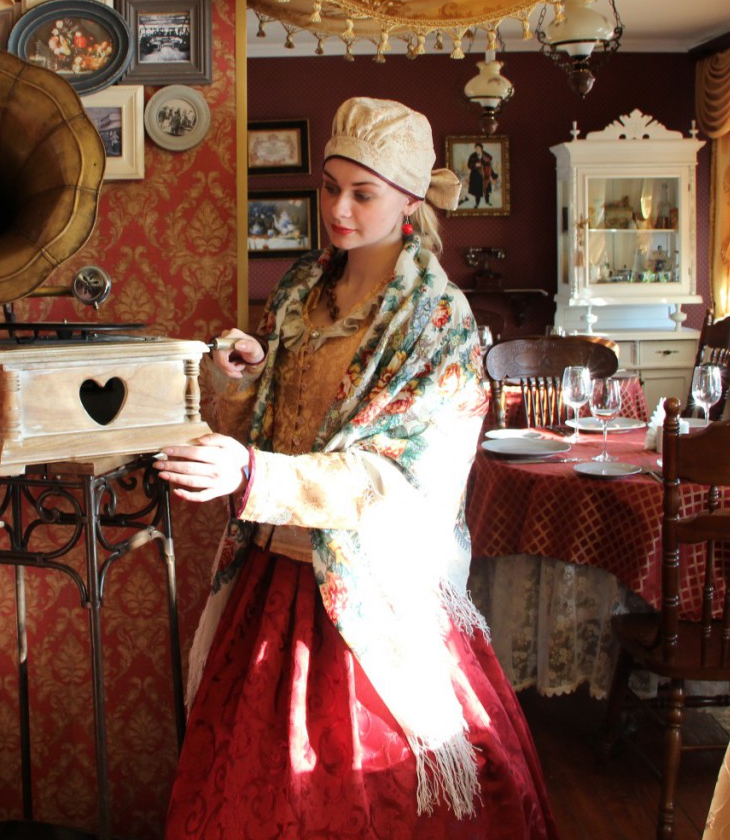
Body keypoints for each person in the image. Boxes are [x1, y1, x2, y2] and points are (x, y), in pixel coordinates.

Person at [158, 97, 557, 839]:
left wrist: (252, 474)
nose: (338, 209)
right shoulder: (300, 289)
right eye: (330, 187)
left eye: (362, 193)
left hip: (372, 586)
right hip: (272, 571)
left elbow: (395, 481)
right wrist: (246, 381)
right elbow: (267, 430)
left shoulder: (436, 319)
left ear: (410, 201)